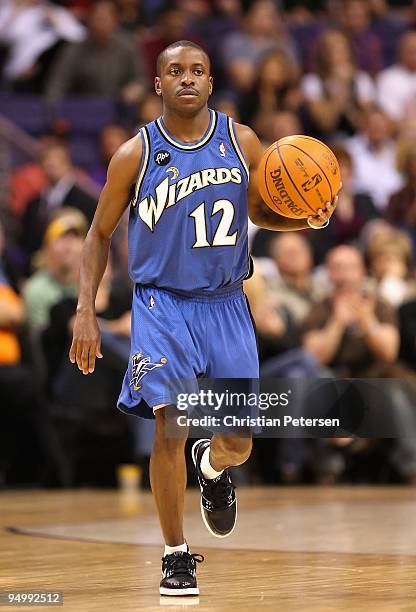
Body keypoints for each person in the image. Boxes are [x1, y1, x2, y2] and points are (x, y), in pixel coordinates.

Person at [69, 40, 336, 597]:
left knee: (238, 441)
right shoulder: (134, 155)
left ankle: (212, 469)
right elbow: (97, 235)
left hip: (226, 304)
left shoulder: (241, 141)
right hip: (161, 304)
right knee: (171, 422)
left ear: (211, 83)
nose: (186, 78)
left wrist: (303, 218)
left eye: (197, 70)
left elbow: (262, 208)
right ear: (158, 84)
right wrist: (85, 312)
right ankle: (175, 554)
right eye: (174, 71)